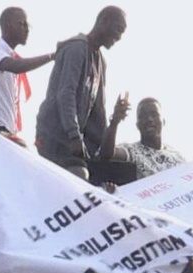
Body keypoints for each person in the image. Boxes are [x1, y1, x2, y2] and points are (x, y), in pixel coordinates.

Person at [35, 6, 127, 179]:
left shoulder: (100, 62)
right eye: (118, 29)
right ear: (104, 20)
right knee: (78, 175)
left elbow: (98, 110)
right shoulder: (76, 48)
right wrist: (74, 136)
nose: (119, 37)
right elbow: (65, 94)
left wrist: (103, 142)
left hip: (74, 140)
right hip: (54, 134)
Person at [0, 7, 54, 136]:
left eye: (28, 25)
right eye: (22, 24)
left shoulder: (10, 56)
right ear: (7, 25)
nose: (27, 29)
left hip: (7, 130)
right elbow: (16, 67)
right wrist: (51, 57)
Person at [99, 97, 187, 179]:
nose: (149, 119)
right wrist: (114, 121)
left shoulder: (178, 157)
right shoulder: (132, 150)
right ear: (137, 125)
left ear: (163, 122)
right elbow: (107, 154)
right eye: (143, 116)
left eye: (154, 114)